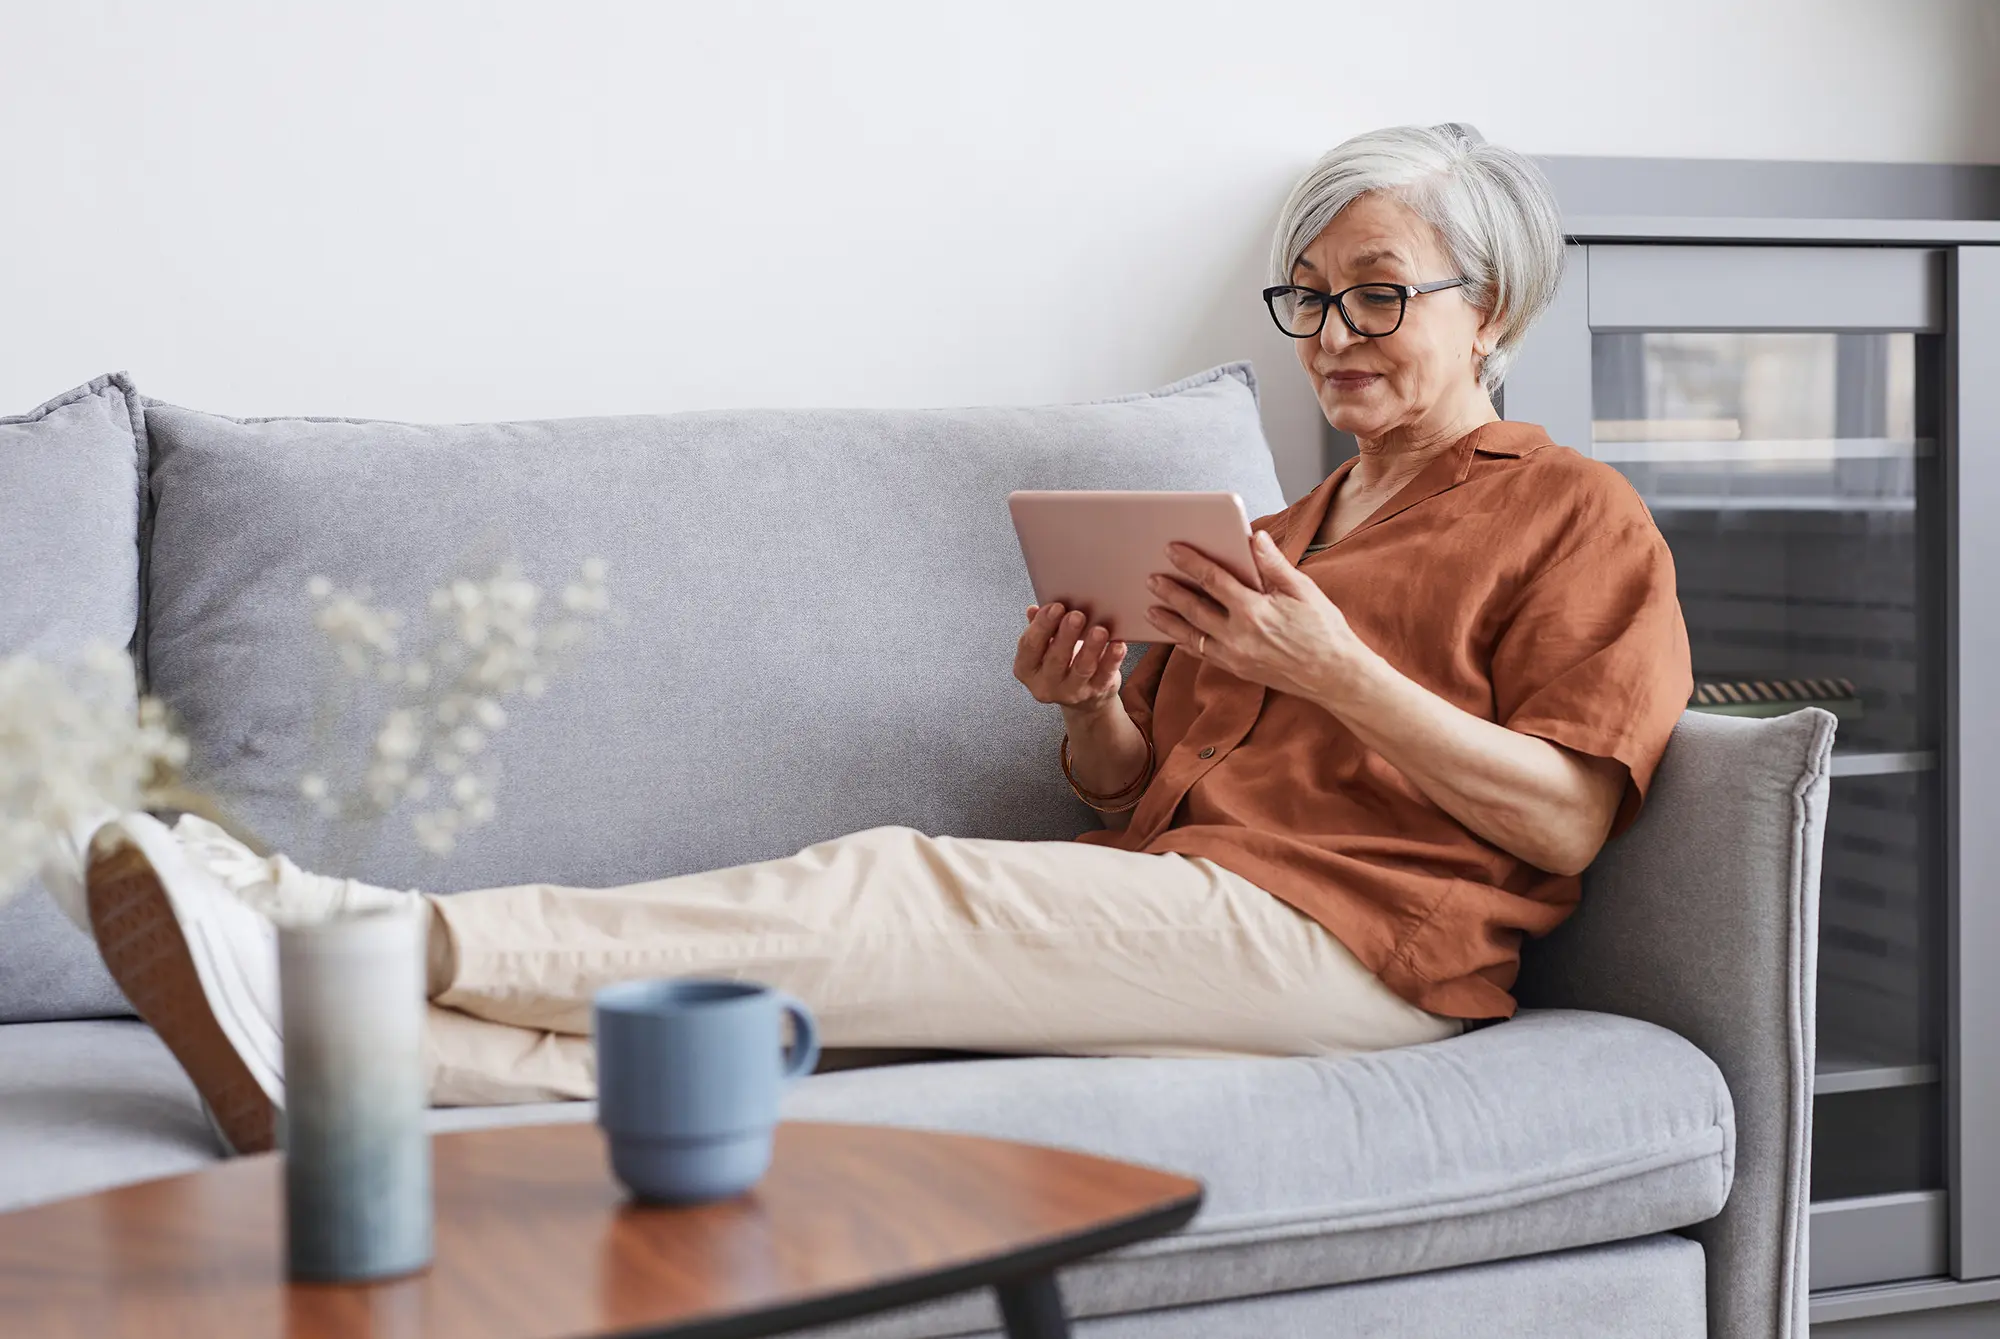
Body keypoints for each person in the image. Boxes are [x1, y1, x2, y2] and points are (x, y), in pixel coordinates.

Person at [78, 122, 1690, 1155]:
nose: (1333, 335)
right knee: (808, 1029)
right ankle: (346, 1068)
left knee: (891, 882)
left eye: (1379, 295)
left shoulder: (1571, 512)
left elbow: (1563, 810)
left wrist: (1332, 670)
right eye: (1310, 299)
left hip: (1370, 952)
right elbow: (1145, 800)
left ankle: (340, 932)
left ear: (1496, 309)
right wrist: (1093, 718)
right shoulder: (1267, 534)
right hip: (1191, 901)